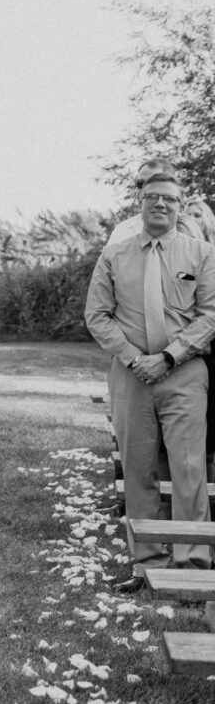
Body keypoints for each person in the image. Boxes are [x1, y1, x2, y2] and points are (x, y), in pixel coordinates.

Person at [85, 173, 215, 592]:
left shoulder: (203, 254)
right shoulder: (115, 255)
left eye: (170, 200)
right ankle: (148, 565)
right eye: (152, 197)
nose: (161, 204)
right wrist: (134, 358)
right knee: (138, 470)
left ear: (181, 206)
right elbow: (97, 315)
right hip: (131, 376)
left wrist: (169, 356)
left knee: (189, 469)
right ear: (139, 204)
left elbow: (210, 316)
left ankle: (193, 566)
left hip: (184, 374)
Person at [106, 159, 177, 247]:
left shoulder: (187, 229)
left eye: (153, 183)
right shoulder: (122, 231)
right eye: (140, 183)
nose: (145, 189)